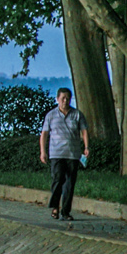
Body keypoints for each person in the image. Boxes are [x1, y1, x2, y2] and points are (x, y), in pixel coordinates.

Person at [38, 87, 91, 222]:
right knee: (57, 179)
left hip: (73, 154)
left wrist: (86, 147)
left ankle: (65, 211)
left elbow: (84, 131)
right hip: (56, 153)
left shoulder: (77, 114)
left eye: (67, 98)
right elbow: (44, 134)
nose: (65, 101)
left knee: (69, 184)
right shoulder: (51, 115)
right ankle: (55, 206)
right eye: (63, 98)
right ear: (57, 99)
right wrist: (43, 152)